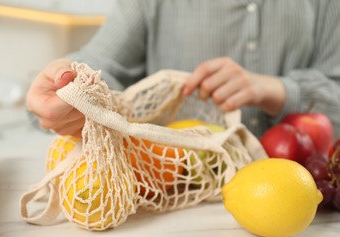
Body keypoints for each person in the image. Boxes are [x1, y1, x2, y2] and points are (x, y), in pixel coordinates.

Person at [26, 0, 340, 139]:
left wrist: (277, 90)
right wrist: (64, 87)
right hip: (171, 194)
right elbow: (99, 64)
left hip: (304, 203)